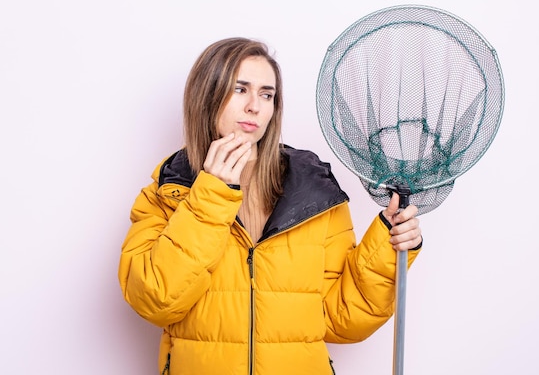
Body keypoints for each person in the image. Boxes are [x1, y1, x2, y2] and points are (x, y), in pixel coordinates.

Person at [118, 37, 423, 375]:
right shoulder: (167, 192)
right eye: (239, 89)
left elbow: (341, 320)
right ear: (206, 95)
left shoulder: (314, 192)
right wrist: (212, 195)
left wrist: (386, 245)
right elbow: (155, 300)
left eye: (267, 94)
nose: (255, 106)